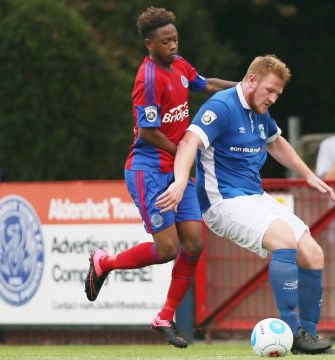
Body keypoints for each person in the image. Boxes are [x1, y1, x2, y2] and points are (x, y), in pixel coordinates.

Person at [156, 55, 335, 355]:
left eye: (278, 93)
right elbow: (189, 142)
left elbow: (276, 141)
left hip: (254, 196)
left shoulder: (260, 111)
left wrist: (308, 175)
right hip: (222, 201)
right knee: (283, 239)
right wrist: (179, 181)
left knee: (313, 253)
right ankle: (294, 333)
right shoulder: (222, 106)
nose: (273, 98)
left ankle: (311, 338)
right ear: (251, 80)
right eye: (270, 90)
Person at [83, 7, 236, 349]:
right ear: (149, 44)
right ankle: (104, 262)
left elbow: (206, 84)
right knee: (168, 249)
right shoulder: (147, 79)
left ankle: (164, 317)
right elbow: (149, 132)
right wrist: (182, 152)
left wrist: (242, 91)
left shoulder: (179, 65)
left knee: (194, 243)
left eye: (175, 39)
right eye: (165, 41)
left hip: (175, 171)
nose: (172, 45)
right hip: (148, 170)